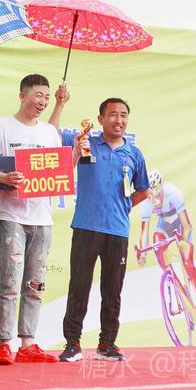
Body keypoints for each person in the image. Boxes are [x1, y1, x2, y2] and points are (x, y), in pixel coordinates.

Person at [0, 74, 68, 365]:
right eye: (38, 95)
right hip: (12, 216)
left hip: (42, 219)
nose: (42, 101)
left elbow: (60, 168)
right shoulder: (2, 126)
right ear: (22, 96)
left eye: (46, 97)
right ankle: (5, 343)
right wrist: (4, 177)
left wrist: (76, 149)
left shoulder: (49, 132)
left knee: (35, 283)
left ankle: (27, 343)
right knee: (10, 281)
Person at [60, 97, 149, 362]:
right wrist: (60, 104)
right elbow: (52, 136)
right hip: (86, 226)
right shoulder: (86, 143)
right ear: (100, 119)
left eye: (123, 115)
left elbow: (142, 190)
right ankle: (73, 344)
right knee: (79, 286)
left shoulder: (134, 154)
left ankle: (106, 344)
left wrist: (123, 207)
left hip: (117, 231)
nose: (118, 120)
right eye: (112, 114)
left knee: (112, 290)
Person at [136, 169, 196, 330]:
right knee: (157, 242)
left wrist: (184, 241)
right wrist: (142, 252)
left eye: (156, 192)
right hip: (164, 224)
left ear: (161, 188)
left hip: (181, 225)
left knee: (188, 264)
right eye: (150, 194)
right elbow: (145, 231)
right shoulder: (146, 202)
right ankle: (177, 286)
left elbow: (187, 225)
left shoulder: (173, 194)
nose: (153, 198)